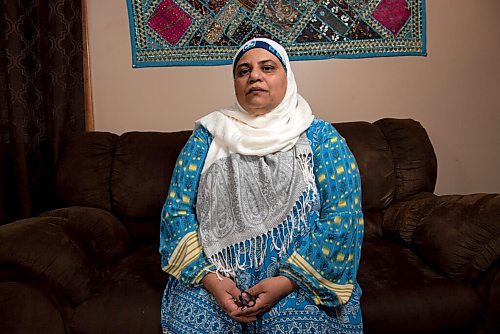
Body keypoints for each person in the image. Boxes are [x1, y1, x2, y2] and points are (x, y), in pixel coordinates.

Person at [159, 37, 364, 334]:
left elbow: (342, 218)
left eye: (267, 68)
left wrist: (288, 281)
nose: (254, 75)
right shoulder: (208, 135)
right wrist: (211, 281)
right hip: (215, 277)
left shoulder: (320, 137)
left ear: (287, 77)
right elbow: (177, 211)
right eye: (243, 71)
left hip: (298, 280)